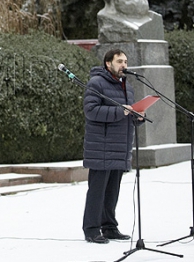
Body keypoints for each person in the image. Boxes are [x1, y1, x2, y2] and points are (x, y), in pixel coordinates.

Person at [82, 49, 143, 244]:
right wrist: (120, 111)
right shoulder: (96, 83)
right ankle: (91, 229)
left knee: (112, 192)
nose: (124, 65)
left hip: (120, 147)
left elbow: (127, 115)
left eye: (125, 61)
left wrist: (138, 117)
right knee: (97, 191)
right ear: (108, 63)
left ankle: (109, 227)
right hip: (101, 147)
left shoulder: (128, 87)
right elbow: (91, 111)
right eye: (119, 61)